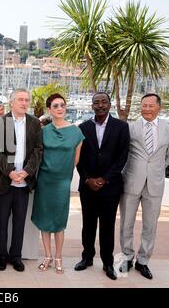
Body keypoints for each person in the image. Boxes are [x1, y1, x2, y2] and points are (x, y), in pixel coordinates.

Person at [119, 93, 169, 280]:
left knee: (150, 225)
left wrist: (154, 170)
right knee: (126, 222)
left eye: (151, 106)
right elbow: (123, 154)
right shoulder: (130, 128)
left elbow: (168, 156)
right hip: (131, 181)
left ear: (159, 107)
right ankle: (127, 257)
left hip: (155, 183)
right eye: (144, 105)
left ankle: (143, 260)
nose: (147, 109)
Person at [74, 92, 130, 280]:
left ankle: (107, 262)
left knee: (107, 226)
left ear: (109, 104)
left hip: (110, 187)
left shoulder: (121, 127)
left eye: (104, 102)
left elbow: (122, 157)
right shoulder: (83, 127)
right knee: (88, 225)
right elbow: (79, 159)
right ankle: (87, 257)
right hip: (88, 186)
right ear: (92, 106)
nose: (100, 105)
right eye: (96, 102)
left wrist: (104, 179)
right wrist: (87, 178)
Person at [0, 89, 43, 272]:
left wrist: (26, 172)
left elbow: (38, 150)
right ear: (12, 102)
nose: (24, 103)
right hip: (4, 181)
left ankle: (16, 256)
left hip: (24, 182)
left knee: (20, 222)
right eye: (20, 99)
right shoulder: (1, 122)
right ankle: (1, 256)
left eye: (27, 100)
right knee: (1, 222)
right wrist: (11, 172)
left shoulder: (35, 124)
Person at [31, 94, 84, 274]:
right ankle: (47, 256)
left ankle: (59, 257)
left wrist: (63, 173)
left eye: (62, 105)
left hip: (62, 181)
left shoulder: (76, 132)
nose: (60, 108)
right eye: (55, 106)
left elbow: (76, 159)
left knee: (59, 221)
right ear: (49, 110)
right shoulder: (44, 131)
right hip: (44, 181)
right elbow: (38, 154)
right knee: (45, 221)